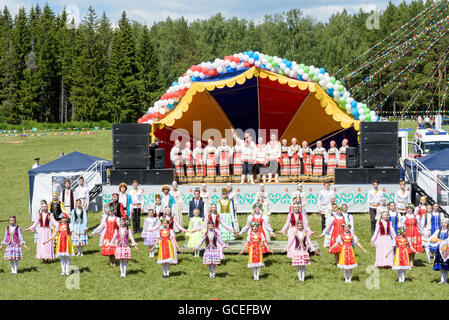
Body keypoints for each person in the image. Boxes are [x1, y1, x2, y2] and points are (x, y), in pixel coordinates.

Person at [429, 219, 449, 284]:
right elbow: (432, 237)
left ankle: (445, 280)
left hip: (446, 250)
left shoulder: (448, 231)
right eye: (443, 223)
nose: (444, 224)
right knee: (441, 266)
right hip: (439, 250)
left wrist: (443, 242)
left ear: (447, 224)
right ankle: (442, 279)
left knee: (446, 266)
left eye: (445, 223)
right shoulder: (438, 231)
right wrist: (429, 238)